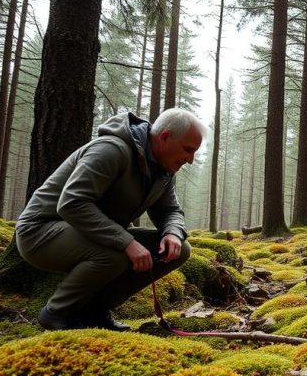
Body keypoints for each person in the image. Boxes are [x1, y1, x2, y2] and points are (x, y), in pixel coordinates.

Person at [16, 108, 205, 331]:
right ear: (164, 137)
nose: (190, 160)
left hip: (91, 235)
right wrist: (126, 241)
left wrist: (172, 232)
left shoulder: (163, 171)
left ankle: (94, 311)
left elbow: (170, 210)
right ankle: (57, 312)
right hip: (40, 232)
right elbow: (72, 203)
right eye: (187, 150)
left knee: (180, 250)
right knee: (114, 256)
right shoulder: (111, 150)